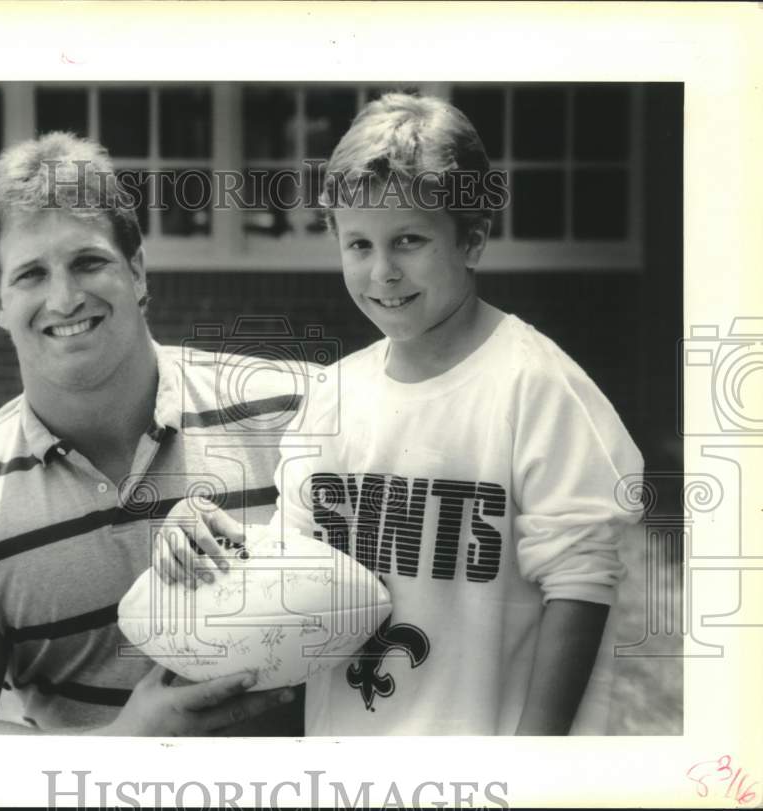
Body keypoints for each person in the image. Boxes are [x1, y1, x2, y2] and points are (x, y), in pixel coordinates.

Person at [156, 93, 645, 735]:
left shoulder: (534, 385)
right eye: (358, 244)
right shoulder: (332, 396)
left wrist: (537, 765)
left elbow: (580, 583)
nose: (382, 271)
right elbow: (297, 576)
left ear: (471, 239)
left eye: (408, 241)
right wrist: (205, 541)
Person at [0, 132, 303, 735]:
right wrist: (117, 749)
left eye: (88, 261)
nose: (64, 297)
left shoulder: (295, 413)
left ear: (135, 270)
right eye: (31, 274)